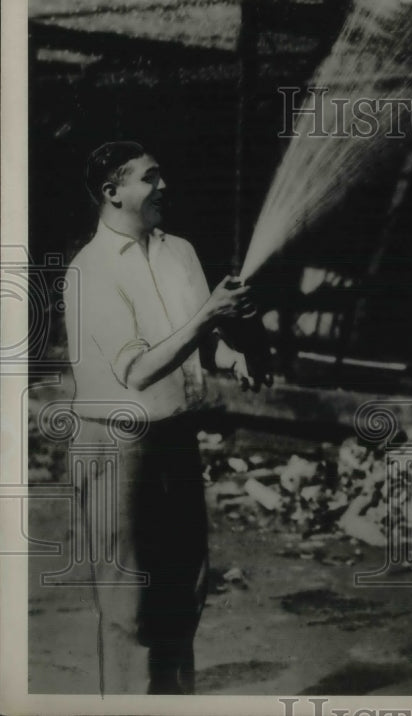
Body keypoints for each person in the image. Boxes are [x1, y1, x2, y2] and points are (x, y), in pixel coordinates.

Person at [62, 141, 263, 694]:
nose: (164, 187)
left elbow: (202, 340)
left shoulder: (181, 252)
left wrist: (234, 352)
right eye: (150, 178)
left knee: (184, 593)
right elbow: (139, 371)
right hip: (115, 444)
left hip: (175, 434)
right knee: (130, 606)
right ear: (113, 192)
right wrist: (209, 318)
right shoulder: (91, 270)